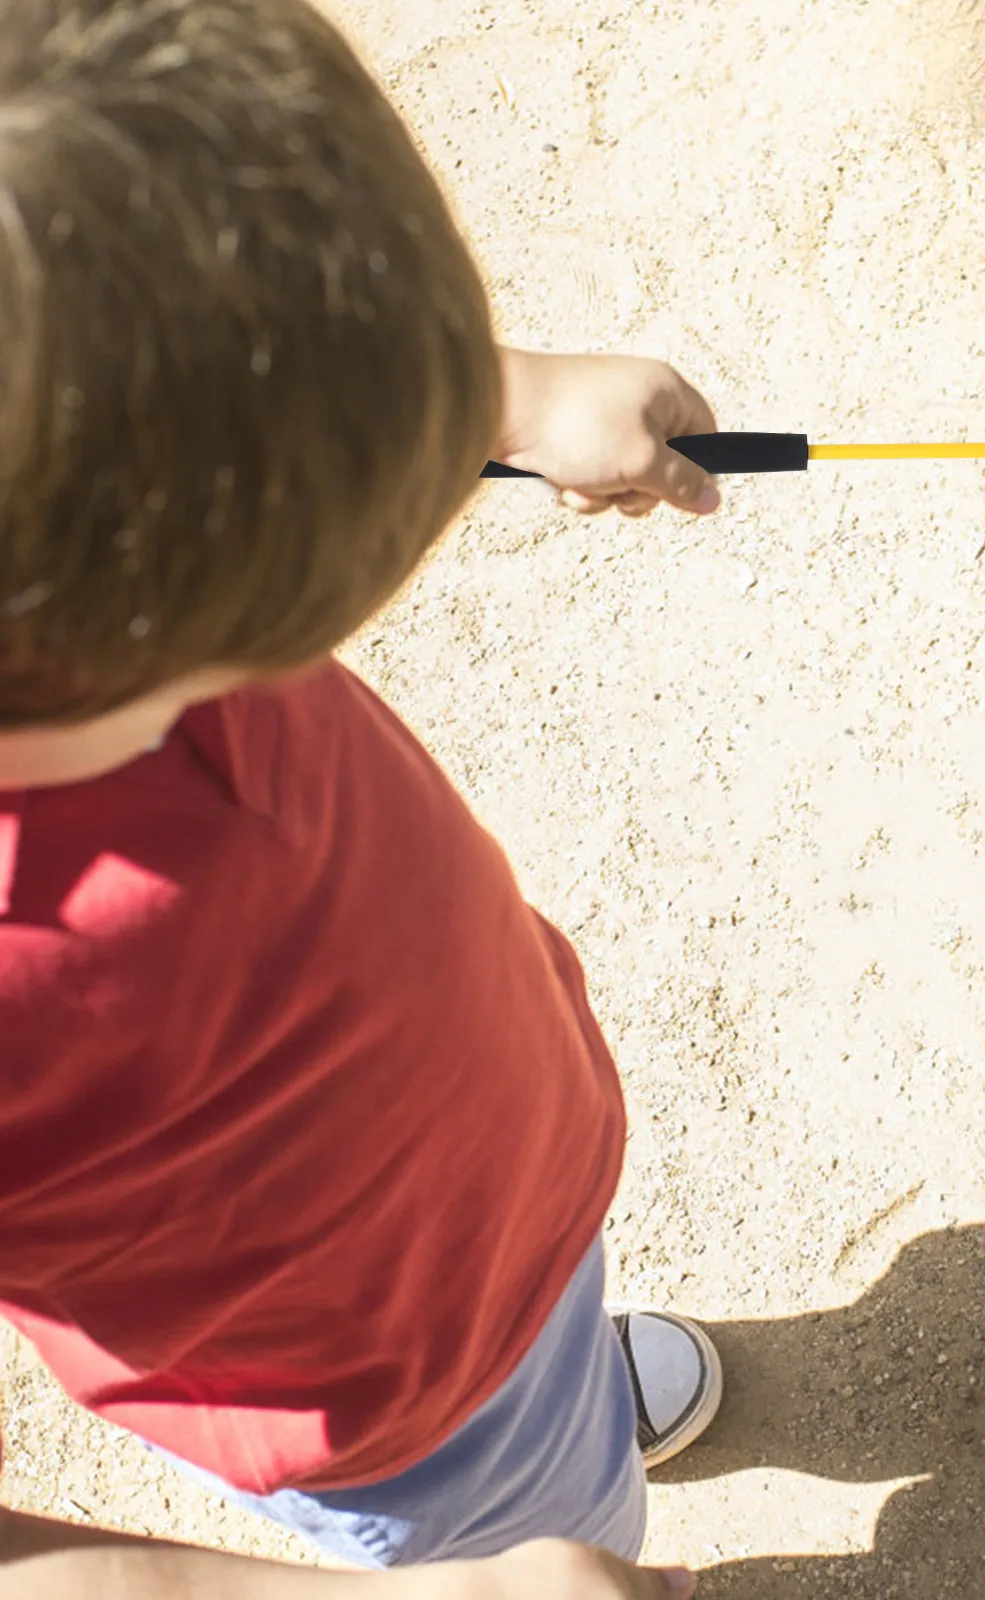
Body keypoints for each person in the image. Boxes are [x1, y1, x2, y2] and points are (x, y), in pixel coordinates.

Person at [0, 0, 731, 1594]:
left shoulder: (76, 424)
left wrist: (501, 398)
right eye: (214, 652)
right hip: (405, 1405)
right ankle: (550, 1476)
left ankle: (576, 1401)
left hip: (496, 1180)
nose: (264, 681)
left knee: (560, 1377)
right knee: (548, 1511)